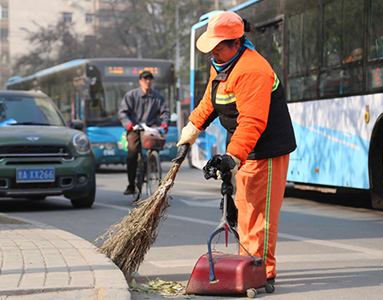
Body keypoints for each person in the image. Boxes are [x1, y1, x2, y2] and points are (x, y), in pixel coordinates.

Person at [177, 11, 296, 284]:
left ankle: (261, 273)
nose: (213, 52)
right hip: (244, 149)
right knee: (244, 212)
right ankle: (249, 265)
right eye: (212, 48)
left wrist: (233, 155)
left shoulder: (252, 69)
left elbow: (253, 122)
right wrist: (192, 129)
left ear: (235, 43)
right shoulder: (221, 65)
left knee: (259, 216)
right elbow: (210, 100)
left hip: (266, 149)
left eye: (218, 47)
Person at [119, 70, 169, 195]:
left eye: (149, 79)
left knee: (155, 147)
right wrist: (129, 124)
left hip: (151, 128)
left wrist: (165, 123)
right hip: (135, 128)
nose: (147, 81)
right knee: (132, 154)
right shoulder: (131, 95)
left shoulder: (158, 97)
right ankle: (131, 184)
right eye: (145, 79)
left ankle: (152, 165)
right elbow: (122, 112)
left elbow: (165, 112)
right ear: (140, 81)